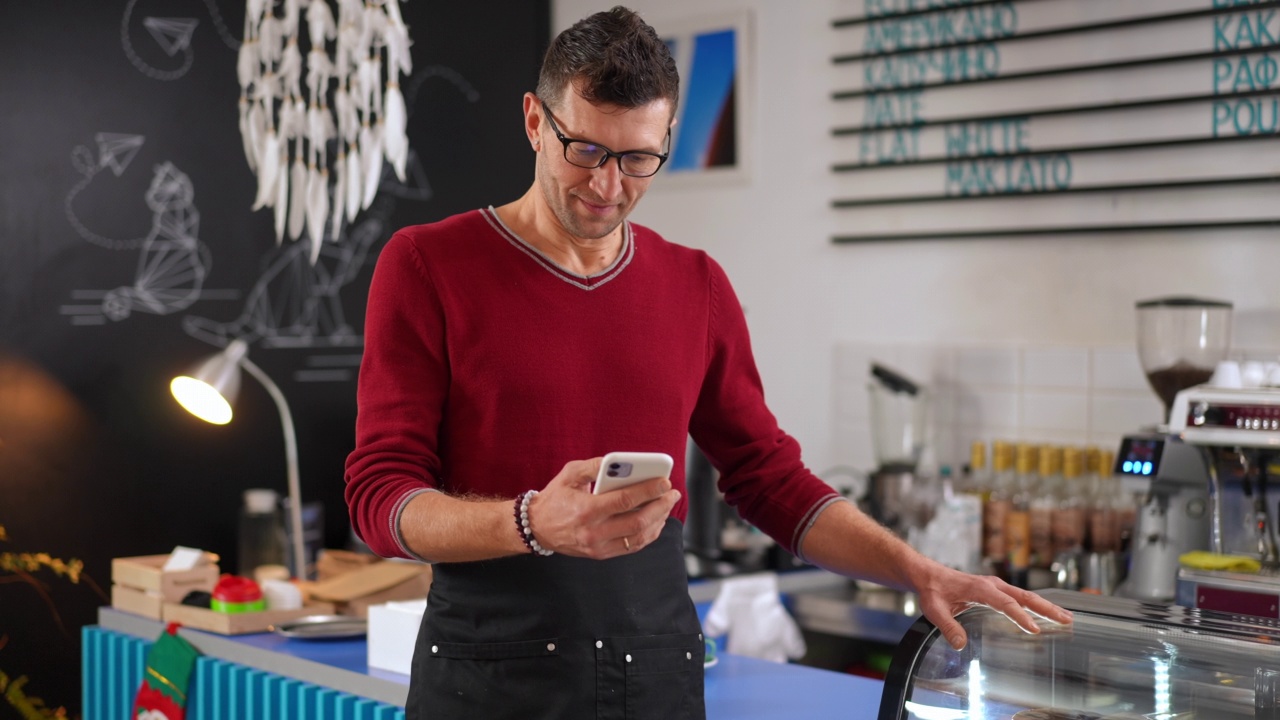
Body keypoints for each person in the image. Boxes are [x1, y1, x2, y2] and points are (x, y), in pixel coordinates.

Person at [344, 6, 1072, 719]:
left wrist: (915, 570)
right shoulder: (427, 265)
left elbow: (767, 478)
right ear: (536, 121)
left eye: (638, 160)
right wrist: (533, 522)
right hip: (487, 677)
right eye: (587, 151)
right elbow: (379, 498)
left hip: (655, 675)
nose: (608, 187)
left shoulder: (696, 284)